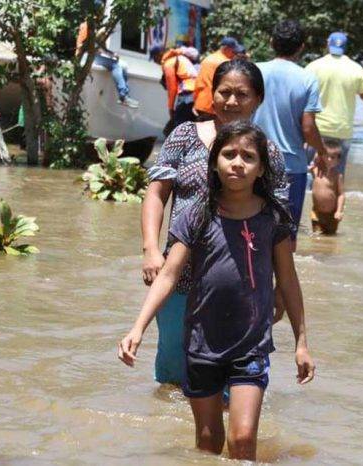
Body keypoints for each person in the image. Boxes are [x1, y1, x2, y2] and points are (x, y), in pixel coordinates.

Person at [120, 121, 315, 460]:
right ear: (214, 162)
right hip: (201, 344)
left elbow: (289, 280)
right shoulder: (198, 213)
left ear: (261, 169)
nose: (237, 162)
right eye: (228, 154)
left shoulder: (273, 219)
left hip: (250, 345)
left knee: (242, 441)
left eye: (248, 157)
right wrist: (138, 328)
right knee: (208, 444)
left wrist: (302, 343)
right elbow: (168, 275)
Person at [141, 59, 287, 385]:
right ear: (212, 94)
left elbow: (280, 223)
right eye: (224, 93)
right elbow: (156, 194)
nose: (232, 102)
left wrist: (279, 287)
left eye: (242, 94)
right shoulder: (184, 136)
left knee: (231, 381)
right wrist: (151, 248)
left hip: (240, 282)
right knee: (172, 373)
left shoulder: (267, 153)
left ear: (258, 99)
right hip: (180, 275)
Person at [252, 19, 327, 250]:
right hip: (291, 167)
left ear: (271, 42)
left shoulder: (254, 71)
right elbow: (308, 127)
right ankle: (281, 284)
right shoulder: (307, 79)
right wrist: (322, 153)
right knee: (286, 238)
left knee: (250, 231)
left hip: (253, 161)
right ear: (301, 47)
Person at [305, 32, 363, 175]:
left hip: (316, 129)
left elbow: (300, 96)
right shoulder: (355, 69)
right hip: (342, 130)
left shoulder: (314, 66)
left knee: (309, 174)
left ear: (327, 44)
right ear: (345, 47)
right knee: (336, 178)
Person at [76, 9, 139, 109]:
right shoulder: (87, 26)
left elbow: (100, 46)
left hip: (94, 56)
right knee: (115, 65)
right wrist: (77, 61)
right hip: (88, 57)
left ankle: (125, 95)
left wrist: (111, 54)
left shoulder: (95, 28)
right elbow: (81, 45)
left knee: (122, 66)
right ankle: (123, 96)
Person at [151, 45, 199, 134]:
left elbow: (172, 89)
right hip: (197, 94)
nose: (155, 62)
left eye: (154, 58)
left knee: (178, 129)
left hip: (187, 95)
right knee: (190, 128)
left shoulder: (168, 63)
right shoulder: (180, 58)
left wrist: (170, 108)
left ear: (159, 54)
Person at [193, 37, 244, 121]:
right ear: (226, 49)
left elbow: (198, 82)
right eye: (233, 51)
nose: (234, 54)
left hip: (202, 104)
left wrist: (195, 102)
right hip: (215, 107)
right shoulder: (225, 63)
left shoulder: (208, 59)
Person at [310, 138, 345, 235]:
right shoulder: (315, 170)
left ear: (338, 160)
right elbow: (312, 162)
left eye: (333, 157)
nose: (329, 159)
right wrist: (318, 154)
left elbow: (341, 195)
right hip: (316, 213)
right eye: (327, 156)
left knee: (331, 238)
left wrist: (339, 211)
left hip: (332, 215)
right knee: (317, 237)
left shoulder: (337, 176)